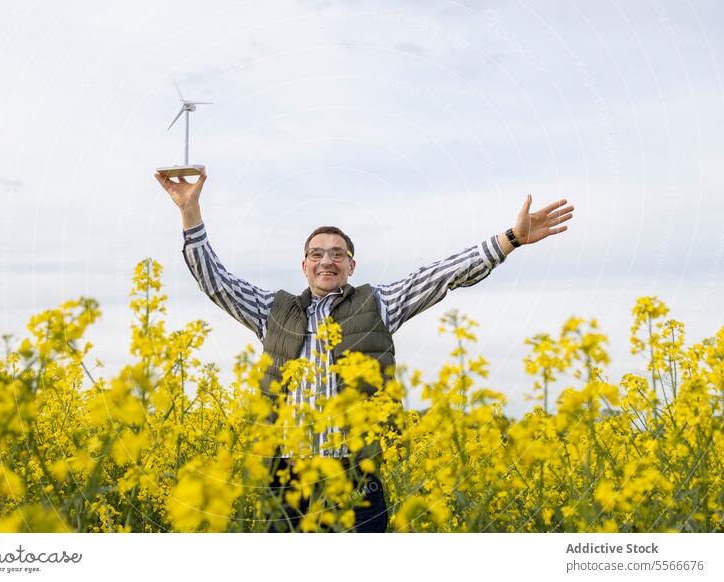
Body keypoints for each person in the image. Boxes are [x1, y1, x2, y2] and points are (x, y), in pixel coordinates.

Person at [155, 168, 574, 532]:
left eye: (338, 254)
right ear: (304, 265)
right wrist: (189, 213)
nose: (327, 261)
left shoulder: (380, 303)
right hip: (287, 474)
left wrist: (510, 239)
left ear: (351, 266)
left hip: (356, 473)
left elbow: (441, 275)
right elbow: (216, 282)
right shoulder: (272, 311)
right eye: (316, 253)